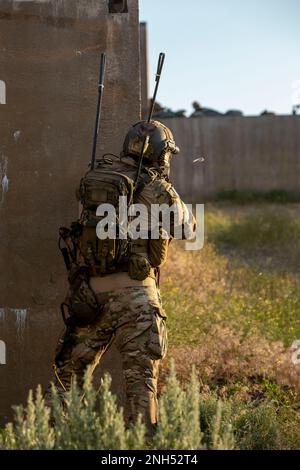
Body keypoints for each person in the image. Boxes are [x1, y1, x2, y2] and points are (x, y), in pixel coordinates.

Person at [45, 120, 196, 433]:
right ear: (162, 154)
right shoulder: (156, 188)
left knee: (67, 378)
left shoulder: (97, 179)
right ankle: (142, 446)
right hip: (137, 298)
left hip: (89, 295)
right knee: (142, 383)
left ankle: (47, 437)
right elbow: (188, 228)